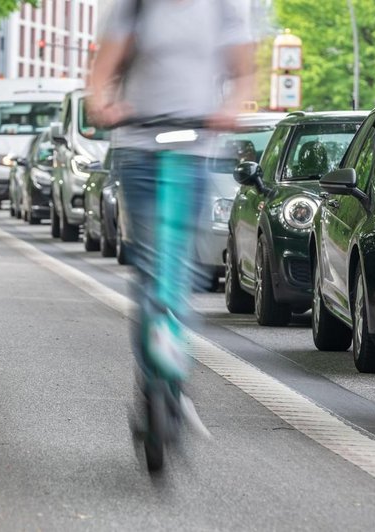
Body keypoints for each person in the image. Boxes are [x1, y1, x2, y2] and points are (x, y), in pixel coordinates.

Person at [88, 0, 255, 471]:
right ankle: (151, 381)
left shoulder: (225, 7)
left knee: (178, 269)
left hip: (197, 148)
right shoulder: (135, 5)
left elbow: (243, 74)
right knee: (149, 269)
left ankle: (174, 373)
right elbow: (104, 68)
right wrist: (100, 99)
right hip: (140, 146)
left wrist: (230, 108)